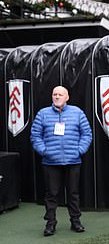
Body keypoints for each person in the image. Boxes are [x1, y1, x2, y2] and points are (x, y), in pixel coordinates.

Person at [31, 86, 93, 236]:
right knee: (51, 194)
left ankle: (76, 221)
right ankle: (50, 223)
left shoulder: (77, 113)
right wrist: (44, 151)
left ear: (67, 97)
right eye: (54, 94)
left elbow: (87, 134)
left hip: (73, 161)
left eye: (60, 94)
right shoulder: (43, 114)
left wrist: (79, 150)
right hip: (50, 162)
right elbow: (35, 136)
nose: (57, 97)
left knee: (73, 193)